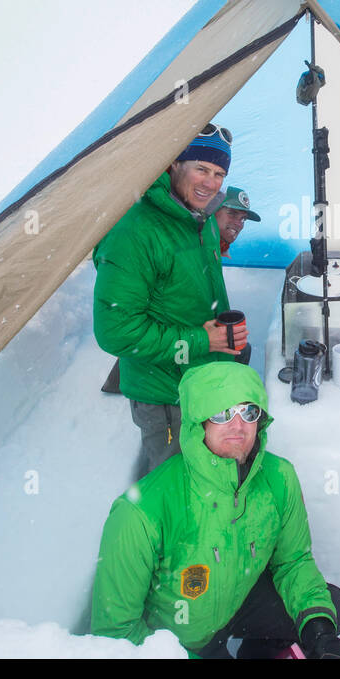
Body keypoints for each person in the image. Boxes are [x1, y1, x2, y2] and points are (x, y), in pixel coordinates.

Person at [90, 361, 340, 658]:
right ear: (197, 422)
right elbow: (116, 634)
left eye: (248, 412)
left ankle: (261, 651)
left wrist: (320, 633)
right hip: (182, 641)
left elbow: (292, 561)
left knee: (332, 609)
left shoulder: (279, 477)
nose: (238, 426)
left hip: (239, 598)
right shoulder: (139, 512)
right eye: (221, 413)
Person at [92, 124, 249, 475]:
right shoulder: (133, 232)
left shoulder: (201, 218)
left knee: (205, 474)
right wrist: (200, 339)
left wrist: (222, 336)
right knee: (174, 484)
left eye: (219, 173)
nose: (211, 183)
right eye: (202, 169)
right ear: (173, 165)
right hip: (164, 394)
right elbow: (116, 331)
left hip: (202, 379)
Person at [212, 185, 260, 259]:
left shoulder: (219, 252)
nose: (239, 224)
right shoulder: (192, 245)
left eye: (243, 219)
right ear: (212, 211)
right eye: (232, 213)